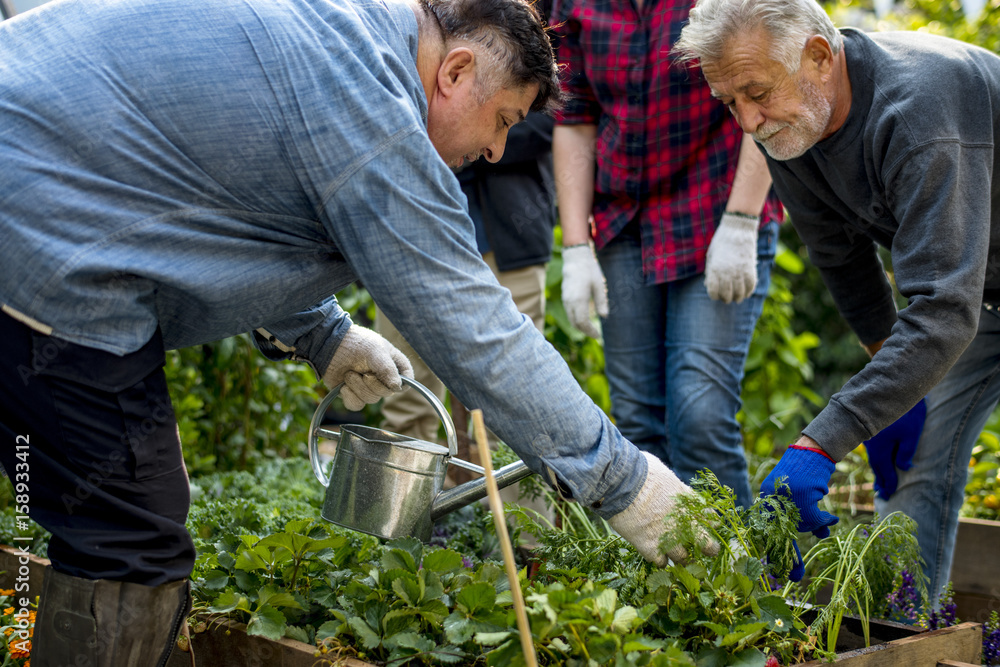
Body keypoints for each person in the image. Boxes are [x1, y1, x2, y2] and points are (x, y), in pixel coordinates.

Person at [0, 0, 714, 661]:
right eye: (502, 120)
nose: (499, 150)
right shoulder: (373, 102)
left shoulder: (342, 32)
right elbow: (473, 325)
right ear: (456, 72)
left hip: (37, 198)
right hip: (40, 237)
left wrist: (322, 334)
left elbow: (226, 195)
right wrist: (625, 483)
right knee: (131, 539)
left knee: (124, 504)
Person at [674, 0, 1000, 596]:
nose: (748, 122)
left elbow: (944, 309)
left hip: (964, 299)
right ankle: (905, 636)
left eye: (756, 91)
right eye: (730, 102)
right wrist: (888, 381)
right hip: (982, 297)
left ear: (820, 57)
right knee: (916, 461)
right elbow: (841, 259)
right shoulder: (793, 130)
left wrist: (821, 443)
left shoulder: (918, 111)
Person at [550, 0, 783, 509]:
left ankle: (744, 581)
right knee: (636, 425)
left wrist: (742, 221)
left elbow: (769, 88)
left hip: (715, 211)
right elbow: (575, 117)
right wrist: (574, 247)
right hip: (623, 221)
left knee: (699, 417)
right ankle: (663, 582)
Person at [374, 110, 558, 530]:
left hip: (507, 236)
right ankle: (404, 540)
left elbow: (549, 120)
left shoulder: (524, 48)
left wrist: (460, 132)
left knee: (519, 401)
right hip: (406, 232)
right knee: (406, 394)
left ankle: (531, 549)